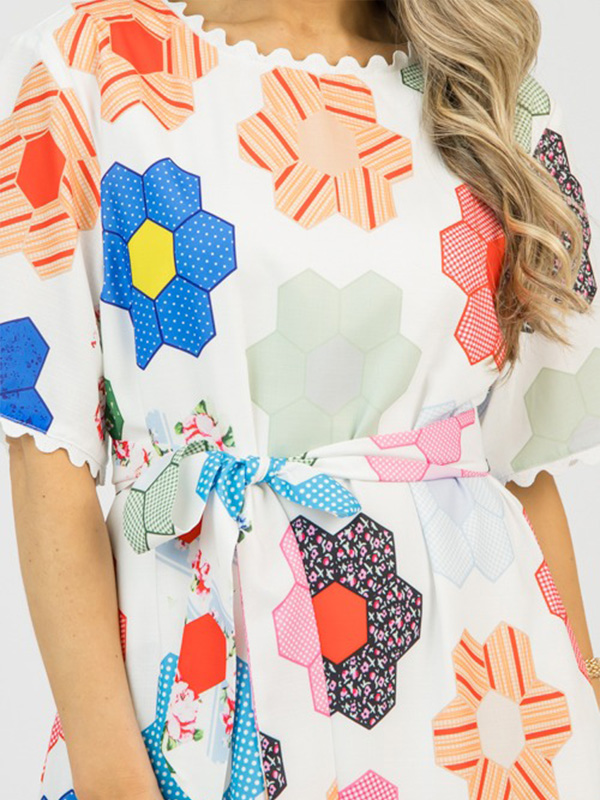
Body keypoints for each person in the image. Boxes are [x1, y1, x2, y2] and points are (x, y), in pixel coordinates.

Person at [1, 0, 599, 798]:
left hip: (486, 706)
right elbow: (46, 449)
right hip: (196, 673)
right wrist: (110, 771)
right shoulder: (93, 67)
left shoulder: (493, 91)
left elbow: (523, 467)